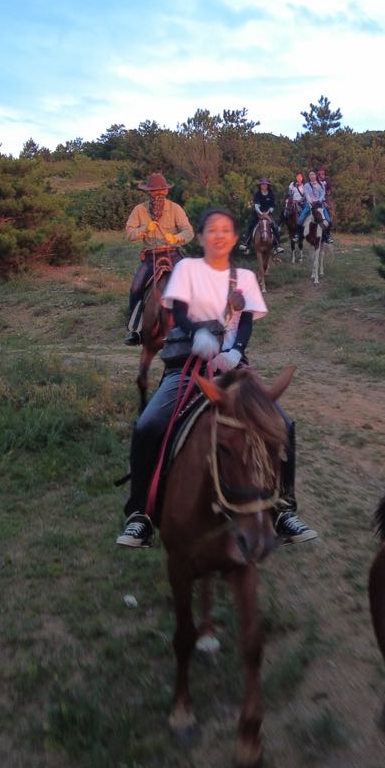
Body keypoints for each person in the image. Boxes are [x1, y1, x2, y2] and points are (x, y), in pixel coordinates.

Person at [117, 207, 319, 548]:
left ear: (236, 237)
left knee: (282, 426)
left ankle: (284, 508)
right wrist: (198, 333)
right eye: (212, 229)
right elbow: (178, 310)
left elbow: (245, 320)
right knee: (148, 426)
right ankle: (140, 514)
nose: (219, 235)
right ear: (200, 237)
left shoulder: (246, 276)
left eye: (226, 229)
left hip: (233, 367)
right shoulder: (187, 268)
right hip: (187, 364)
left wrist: (236, 352)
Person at [122, 173, 193, 346]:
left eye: (161, 191)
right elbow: (129, 234)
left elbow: (188, 232)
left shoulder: (175, 208)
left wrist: (176, 238)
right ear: (148, 193)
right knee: (136, 287)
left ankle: (196, 324)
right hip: (150, 256)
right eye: (154, 192)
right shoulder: (139, 210)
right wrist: (145, 228)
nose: (158, 194)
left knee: (192, 284)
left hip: (173, 253)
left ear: (166, 191)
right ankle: (135, 329)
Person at [246, 178, 283, 255]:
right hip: (258, 213)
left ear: (268, 186)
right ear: (260, 186)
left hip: (268, 213)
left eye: (265, 184)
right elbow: (256, 205)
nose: (264, 186)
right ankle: (246, 244)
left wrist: (267, 213)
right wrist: (261, 213)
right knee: (251, 225)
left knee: (274, 226)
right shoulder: (257, 194)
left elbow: (272, 206)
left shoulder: (271, 194)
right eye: (262, 184)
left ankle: (278, 245)